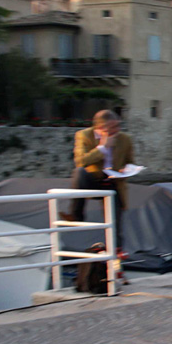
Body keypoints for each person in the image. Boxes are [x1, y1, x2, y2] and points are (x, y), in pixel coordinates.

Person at [62, 110, 135, 257]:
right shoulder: (84, 135)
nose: (116, 131)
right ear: (99, 128)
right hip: (92, 179)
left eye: (117, 126)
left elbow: (130, 161)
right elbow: (80, 161)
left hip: (114, 182)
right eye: (111, 128)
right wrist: (102, 147)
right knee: (79, 172)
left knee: (115, 224)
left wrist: (125, 169)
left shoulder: (125, 139)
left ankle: (116, 254)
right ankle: (76, 214)